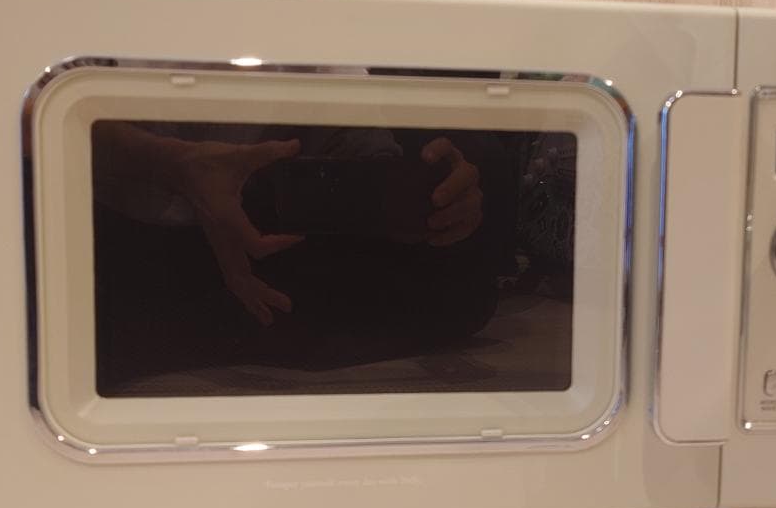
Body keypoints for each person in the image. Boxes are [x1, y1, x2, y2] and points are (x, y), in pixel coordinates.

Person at [90, 121, 501, 391]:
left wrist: (395, 191)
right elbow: (52, 109)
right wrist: (172, 163)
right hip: (123, 215)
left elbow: (349, 113)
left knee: (463, 279)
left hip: (277, 203)